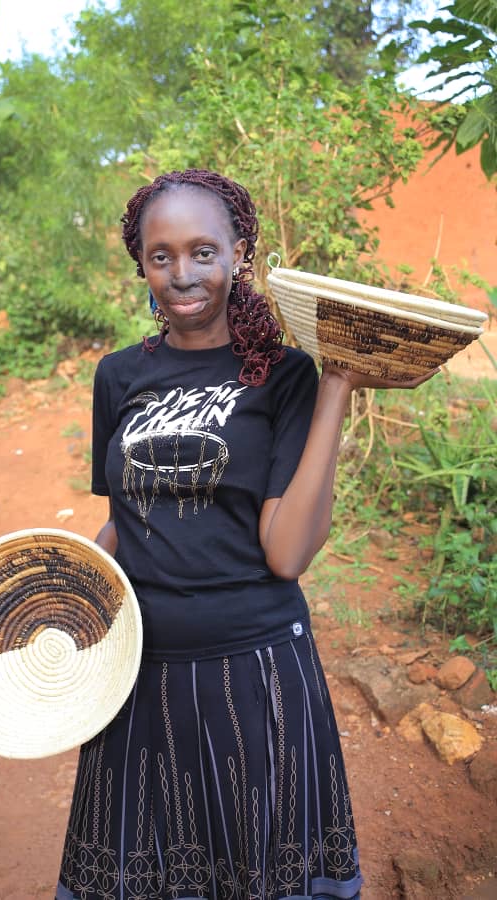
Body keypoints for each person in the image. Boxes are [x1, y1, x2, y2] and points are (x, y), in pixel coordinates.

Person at [55, 169, 435, 900]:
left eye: (203, 251)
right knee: (143, 872)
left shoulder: (283, 377)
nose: (182, 274)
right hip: (138, 672)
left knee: (255, 869)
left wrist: (335, 390)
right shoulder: (117, 376)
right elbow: (123, 519)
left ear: (240, 257)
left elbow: (287, 551)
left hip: (253, 675)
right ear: (141, 263)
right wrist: (64, 593)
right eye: (161, 255)